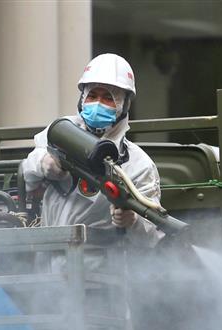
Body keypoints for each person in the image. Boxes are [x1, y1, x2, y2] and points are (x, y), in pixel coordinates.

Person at [21, 53, 163, 248]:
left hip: (99, 270)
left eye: (108, 98)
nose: (98, 104)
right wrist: (42, 162)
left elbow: (150, 240)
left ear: (124, 104)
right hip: (48, 260)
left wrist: (133, 222)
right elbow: (24, 179)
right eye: (93, 96)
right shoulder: (60, 133)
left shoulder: (137, 165)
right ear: (82, 98)